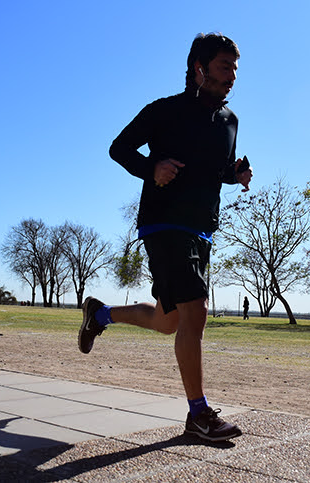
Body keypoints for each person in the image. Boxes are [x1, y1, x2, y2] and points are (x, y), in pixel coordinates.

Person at [79, 33, 252, 442]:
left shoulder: (230, 121)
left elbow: (217, 170)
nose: (232, 77)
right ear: (199, 68)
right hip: (163, 222)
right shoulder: (164, 111)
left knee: (167, 320)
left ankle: (99, 314)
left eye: (235, 70)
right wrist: (152, 166)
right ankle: (198, 414)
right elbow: (119, 148)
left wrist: (235, 174)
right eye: (225, 67)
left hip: (202, 228)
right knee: (196, 312)